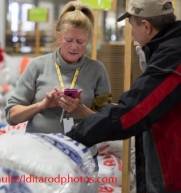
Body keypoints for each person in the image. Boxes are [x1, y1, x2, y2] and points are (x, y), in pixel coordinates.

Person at [66, 0, 181, 192]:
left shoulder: (172, 57)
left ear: (146, 26)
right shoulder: (166, 51)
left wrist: (72, 138)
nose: (132, 33)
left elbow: (134, 112)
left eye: (132, 26)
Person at [5, 1, 112, 160]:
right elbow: (11, 116)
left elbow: (107, 124)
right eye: (68, 40)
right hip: (39, 156)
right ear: (58, 35)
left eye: (80, 41)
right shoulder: (37, 66)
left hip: (81, 157)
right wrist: (41, 105)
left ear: (88, 40)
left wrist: (81, 110)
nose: (74, 47)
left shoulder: (97, 70)